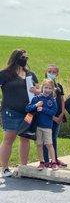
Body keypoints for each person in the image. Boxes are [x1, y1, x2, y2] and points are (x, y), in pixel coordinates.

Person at [0, 49, 39, 177]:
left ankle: (23, 167)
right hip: (10, 111)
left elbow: (39, 90)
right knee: (8, 139)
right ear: (16, 57)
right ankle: (4, 168)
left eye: (26, 57)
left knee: (25, 138)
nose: (25, 59)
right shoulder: (5, 74)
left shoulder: (30, 74)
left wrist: (37, 90)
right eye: (22, 57)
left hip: (28, 113)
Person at [26, 79, 59, 171]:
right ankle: (42, 162)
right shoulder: (36, 98)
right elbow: (27, 108)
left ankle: (54, 162)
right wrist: (36, 105)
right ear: (42, 87)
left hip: (47, 126)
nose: (47, 90)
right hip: (37, 126)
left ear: (52, 89)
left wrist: (43, 109)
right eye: (45, 87)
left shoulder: (52, 100)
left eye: (49, 88)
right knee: (39, 144)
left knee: (49, 144)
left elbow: (53, 112)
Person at [43, 64, 67, 167]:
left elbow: (61, 100)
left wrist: (62, 113)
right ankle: (45, 160)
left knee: (53, 138)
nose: (52, 74)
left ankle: (55, 159)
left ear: (57, 74)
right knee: (46, 139)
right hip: (48, 117)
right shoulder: (44, 86)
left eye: (54, 72)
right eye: (50, 71)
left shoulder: (59, 86)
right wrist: (53, 117)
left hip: (58, 116)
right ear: (46, 72)